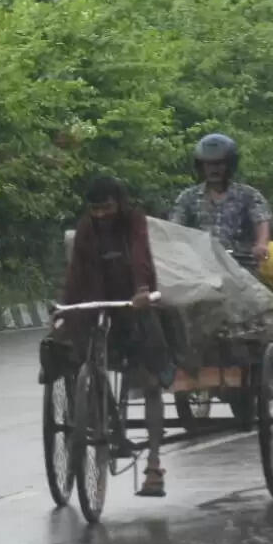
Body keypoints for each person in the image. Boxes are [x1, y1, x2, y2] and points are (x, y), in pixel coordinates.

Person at [59, 175, 173, 498]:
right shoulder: (86, 229)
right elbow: (76, 272)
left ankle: (153, 464)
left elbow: (140, 257)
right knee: (81, 356)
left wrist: (141, 290)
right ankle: (106, 422)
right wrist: (66, 311)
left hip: (134, 302)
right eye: (95, 209)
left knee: (151, 381)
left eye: (107, 208)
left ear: (119, 204)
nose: (101, 215)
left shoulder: (133, 222)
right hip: (99, 302)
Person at [169, 133, 273, 270]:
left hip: (242, 266)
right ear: (201, 167)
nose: (214, 169)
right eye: (209, 165)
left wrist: (261, 244)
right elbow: (174, 226)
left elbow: (261, 220)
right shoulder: (188, 197)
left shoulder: (249, 195)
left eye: (219, 164)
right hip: (200, 265)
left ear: (229, 165)